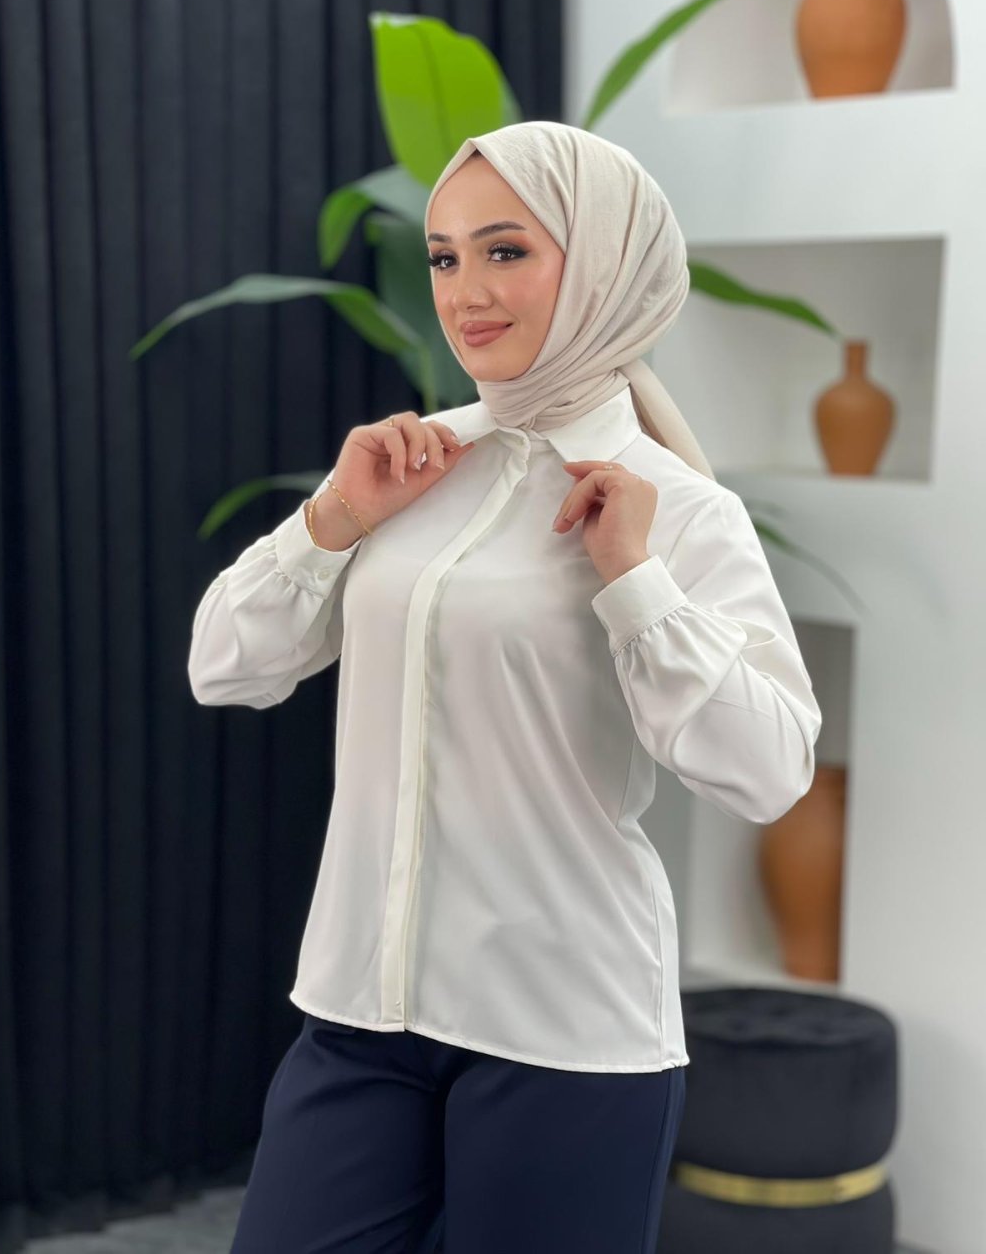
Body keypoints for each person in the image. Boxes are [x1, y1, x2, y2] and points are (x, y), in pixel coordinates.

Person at [188, 120, 822, 1253]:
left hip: (563, 1033)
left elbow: (770, 770)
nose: (464, 292)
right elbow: (225, 666)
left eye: (506, 250)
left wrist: (634, 578)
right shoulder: (405, 464)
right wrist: (335, 519)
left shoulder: (678, 510)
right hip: (361, 1015)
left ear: (604, 262)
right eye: (444, 256)